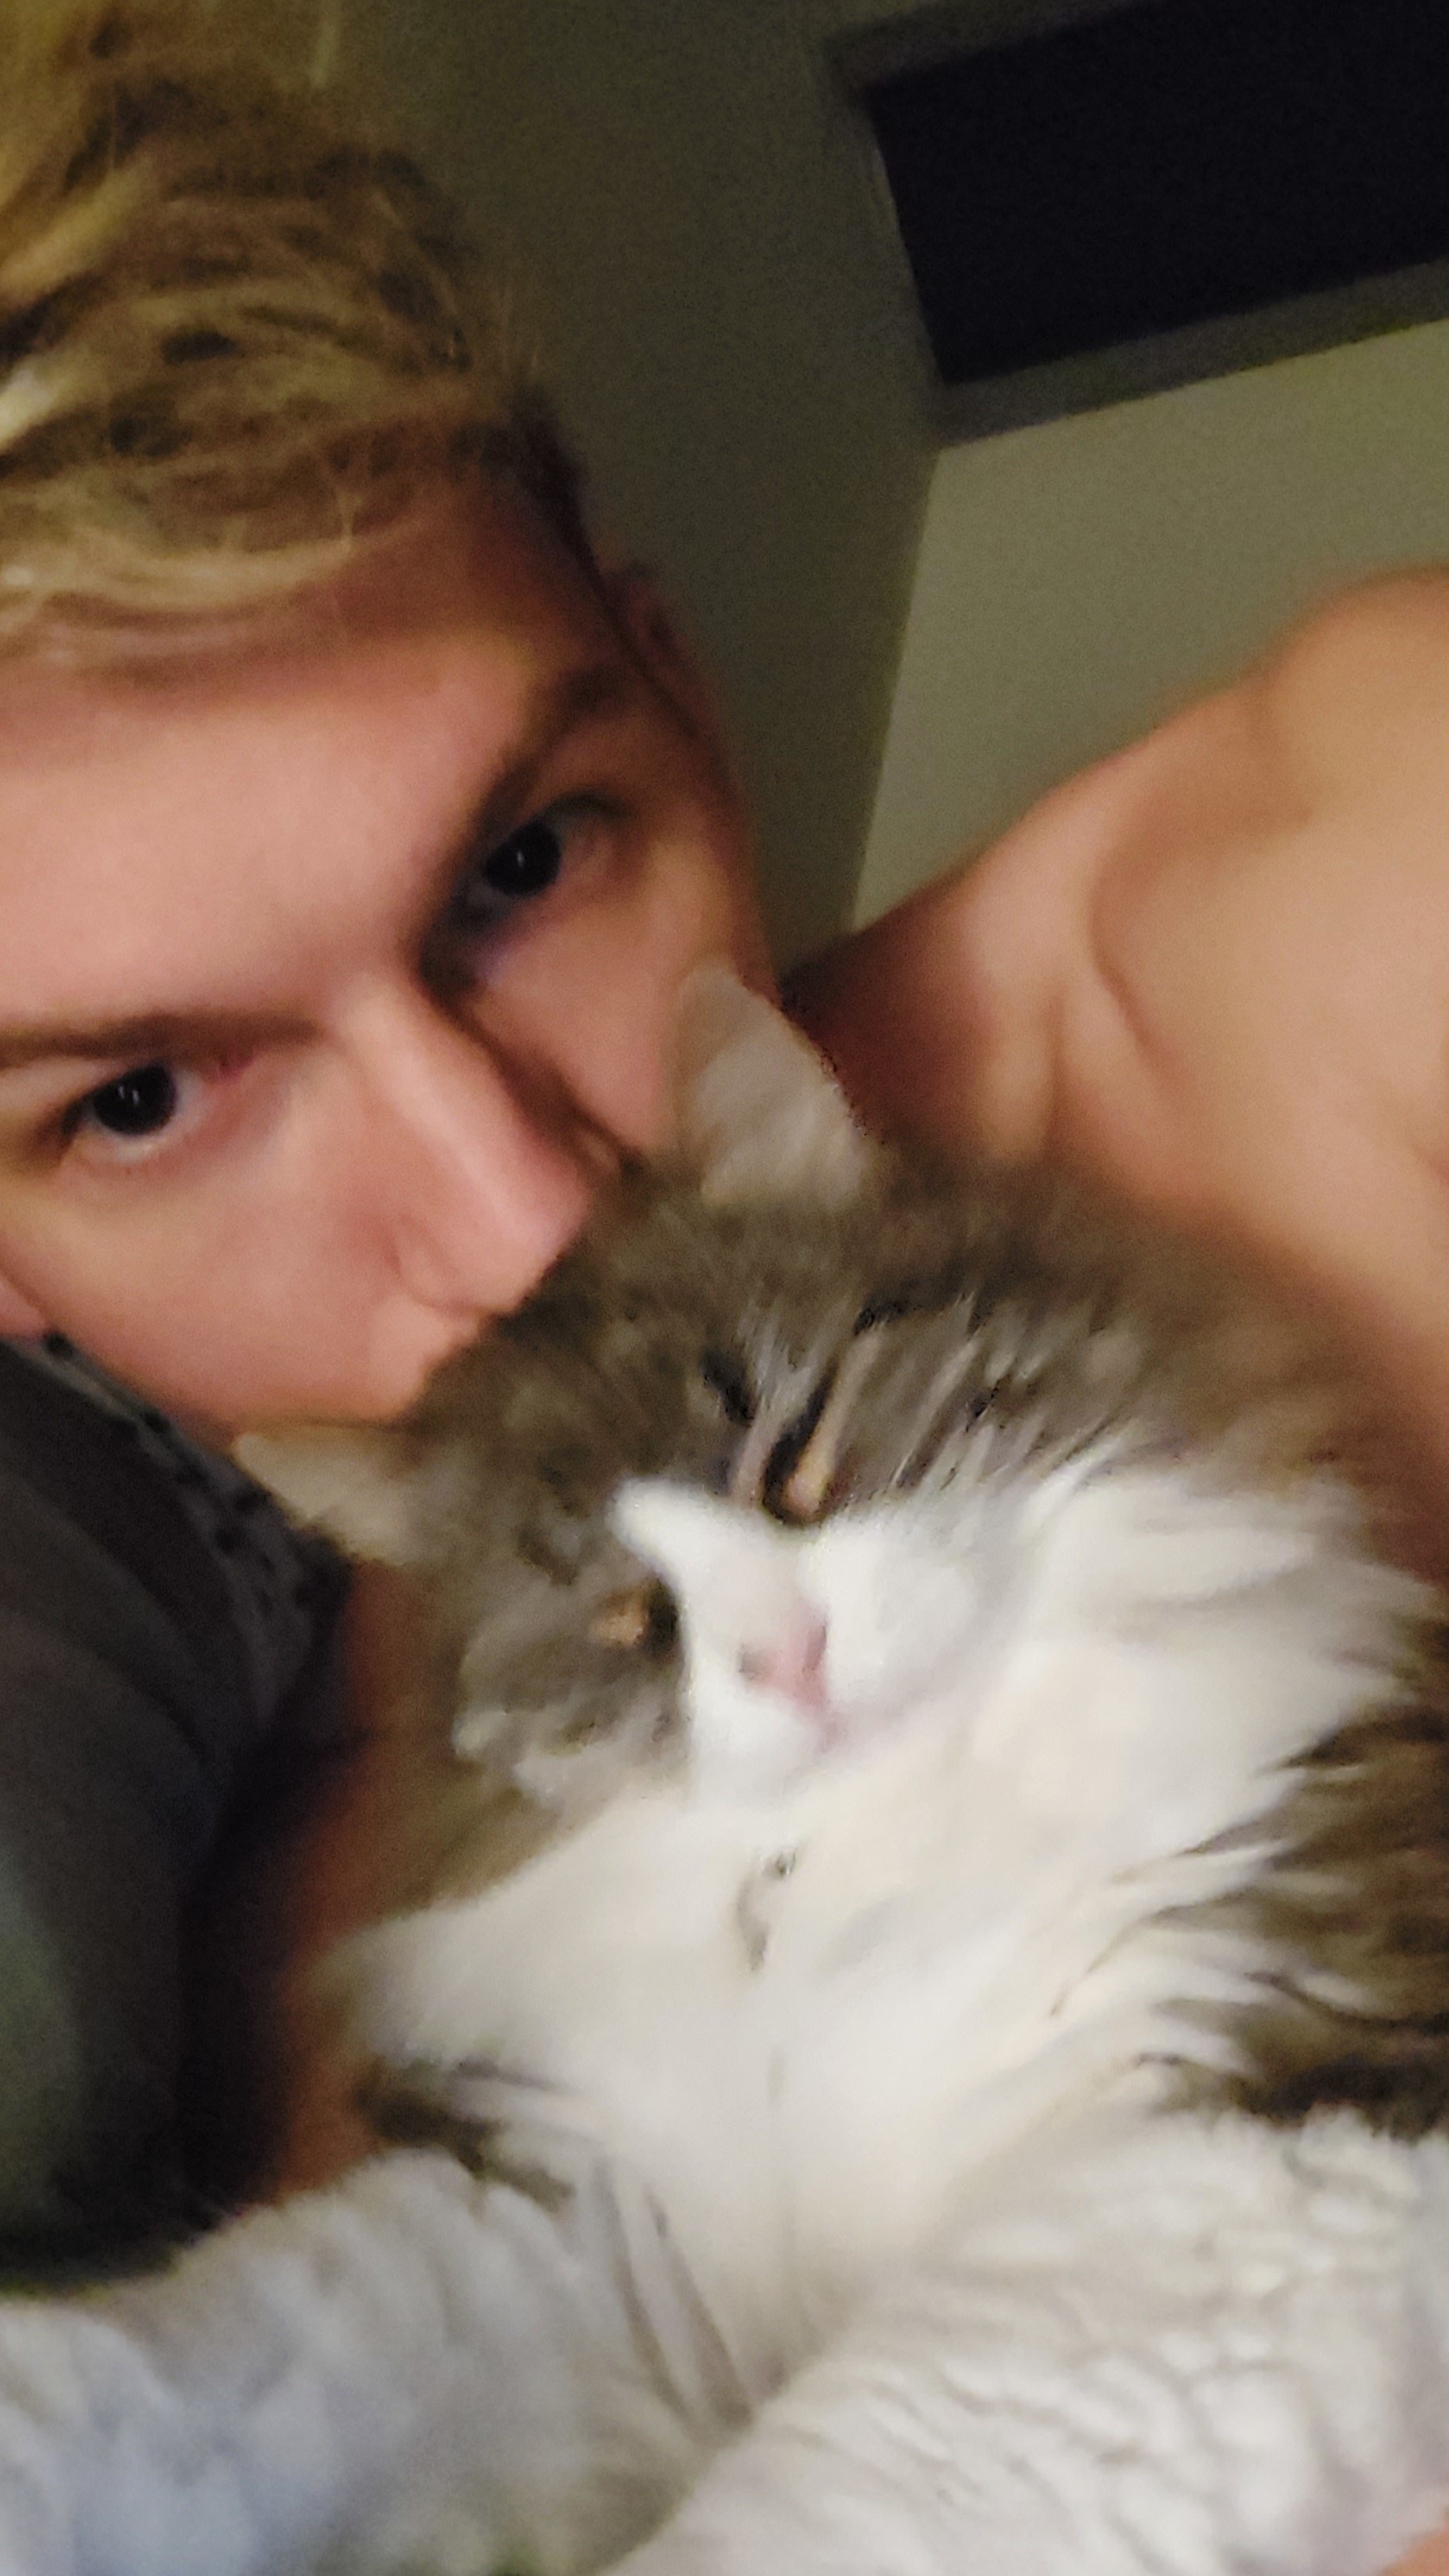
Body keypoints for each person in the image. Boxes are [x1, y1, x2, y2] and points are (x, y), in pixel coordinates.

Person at [1, 3, 1447, 2568]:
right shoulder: (224, 1922)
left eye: (521, 863)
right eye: (144, 1098)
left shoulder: (1355, 899)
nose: (519, 1214)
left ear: (685, 701)